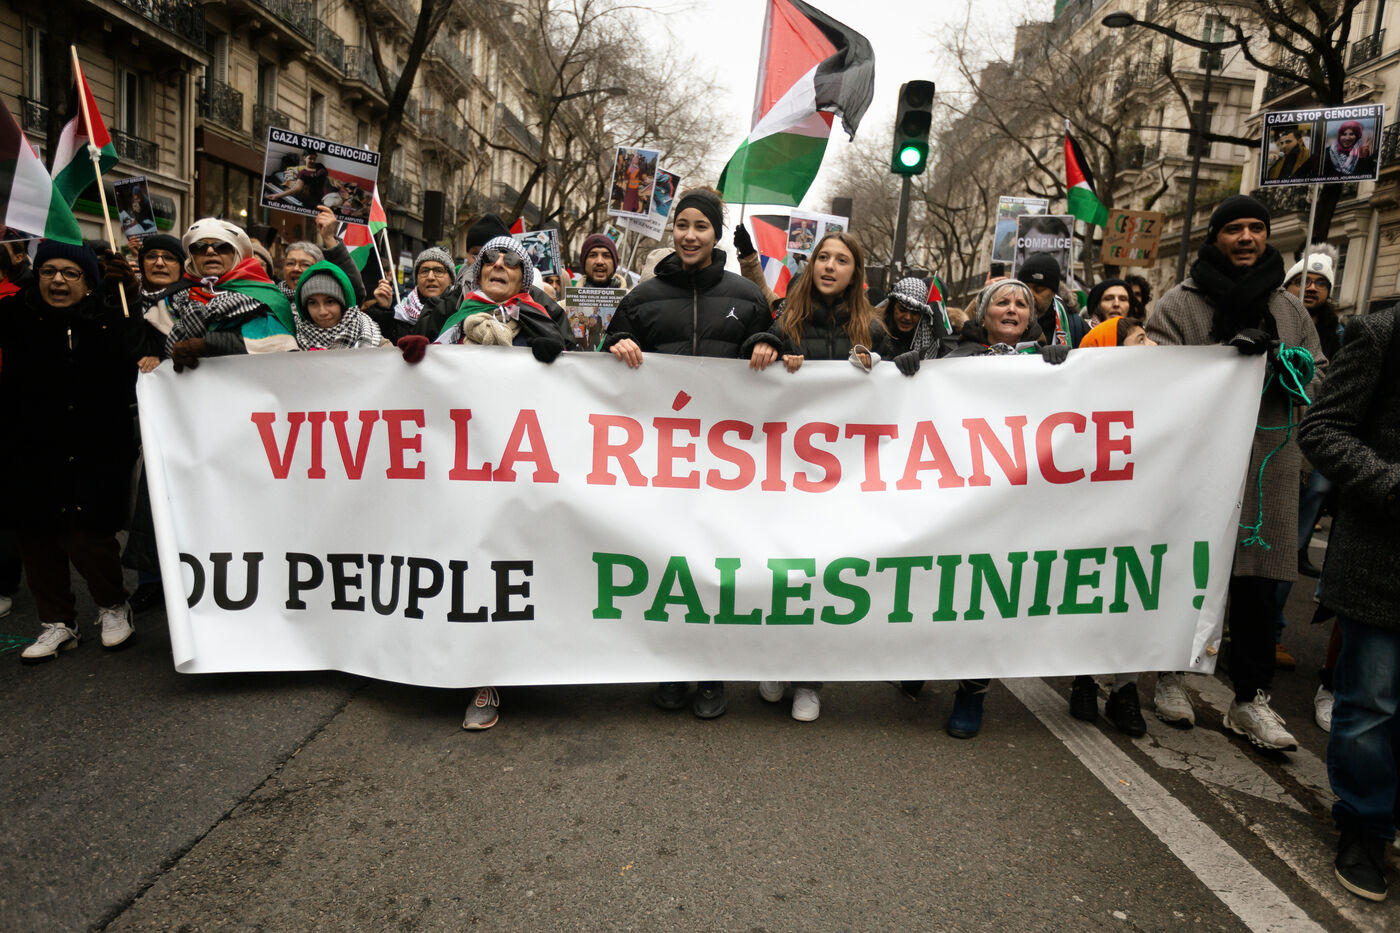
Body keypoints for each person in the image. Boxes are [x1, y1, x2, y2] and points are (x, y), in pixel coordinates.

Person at [1146, 194, 1326, 751]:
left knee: (1258, 589)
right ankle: (1170, 675)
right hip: (1196, 466)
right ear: (1215, 237)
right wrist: (1225, 359)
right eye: (1234, 229)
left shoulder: (1291, 311)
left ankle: (1250, 699)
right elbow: (1155, 377)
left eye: (1256, 228)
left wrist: (1286, 365)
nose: (1246, 237)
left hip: (1269, 466)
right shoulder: (1179, 304)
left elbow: (1321, 378)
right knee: (1189, 573)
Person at [604, 185, 771, 719]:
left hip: (727, 464)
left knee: (716, 568)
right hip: (662, 461)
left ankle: (711, 673)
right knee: (668, 565)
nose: (690, 235)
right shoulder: (642, 298)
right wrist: (614, 346)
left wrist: (767, 344)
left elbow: (777, 345)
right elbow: (600, 365)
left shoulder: (748, 297)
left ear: (716, 234)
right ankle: (671, 668)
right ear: (672, 230)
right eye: (682, 225)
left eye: (701, 226)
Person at [395, 236, 563, 731]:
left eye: (511, 261)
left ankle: (511, 667)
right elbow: (421, 381)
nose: (498, 265)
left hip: (521, 468)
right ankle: (475, 676)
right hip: (460, 467)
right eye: (490, 259)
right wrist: (418, 357)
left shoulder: (542, 317)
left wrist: (559, 356)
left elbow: (575, 387)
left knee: (510, 564)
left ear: (524, 275)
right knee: (466, 564)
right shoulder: (449, 317)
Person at [746, 232, 891, 722]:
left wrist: (888, 367)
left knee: (823, 576)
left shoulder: (873, 328)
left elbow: (903, 385)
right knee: (781, 571)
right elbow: (752, 356)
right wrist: (768, 346)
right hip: (787, 473)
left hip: (845, 477)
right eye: (823, 258)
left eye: (841, 260)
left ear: (855, 273)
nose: (830, 266)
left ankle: (808, 679)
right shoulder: (788, 318)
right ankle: (774, 660)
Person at [932, 279, 1070, 736]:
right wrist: (909, 372)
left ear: (1031, 317)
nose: (1012, 309)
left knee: (987, 594)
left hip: (1013, 500)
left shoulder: (1049, 362)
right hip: (958, 495)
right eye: (1002, 302)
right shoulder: (952, 358)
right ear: (984, 313)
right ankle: (918, 661)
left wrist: (1064, 371)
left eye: (1021, 304)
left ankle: (971, 692)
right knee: (940, 586)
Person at [1296, 303, 1399, 902]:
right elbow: (1322, 428)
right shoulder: (1382, 335)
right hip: (1384, 560)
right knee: (1372, 704)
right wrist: (1390, 485)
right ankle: (1365, 825)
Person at [1, 242, 140, 661]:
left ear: (88, 282)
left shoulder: (110, 319)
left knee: (88, 537)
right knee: (36, 536)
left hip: (96, 448)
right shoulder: (14, 316)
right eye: (48, 271)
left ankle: (113, 606)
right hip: (30, 448)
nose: (58, 280)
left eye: (70, 273)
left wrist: (130, 296)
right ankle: (57, 622)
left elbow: (137, 354)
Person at [1282, 243, 1346, 725]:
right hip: (1273, 443)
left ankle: (1271, 630)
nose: (1311, 290)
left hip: (1312, 449)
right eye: (1303, 281)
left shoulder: (1341, 336)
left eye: (1320, 284)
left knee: (1286, 547)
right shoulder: (1273, 318)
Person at [166, 218, 298, 370]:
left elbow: (278, 343)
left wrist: (206, 345)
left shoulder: (266, 295)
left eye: (222, 246)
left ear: (237, 255)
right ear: (192, 258)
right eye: (199, 247)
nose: (210, 251)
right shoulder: (173, 298)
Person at [369, 246, 460, 345]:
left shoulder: (460, 310)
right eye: (424, 271)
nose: (430, 277)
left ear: (451, 279)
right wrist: (382, 310)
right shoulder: (401, 313)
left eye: (438, 271)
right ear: (417, 279)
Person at [278, 206, 366, 305]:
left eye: (305, 264)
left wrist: (328, 238)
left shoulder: (331, 301)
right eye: (290, 263)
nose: (296, 269)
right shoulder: (271, 300)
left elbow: (353, 292)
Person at [292, 260, 384, 350]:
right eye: (313, 303)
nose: (322, 312)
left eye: (330, 302)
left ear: (344, 304)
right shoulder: (293, 343)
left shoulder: (376, 341)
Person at [1017, 253, 1089, 347]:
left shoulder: (1075, 326)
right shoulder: (1006, 321)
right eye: (1025, 289)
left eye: (1039, 290)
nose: (1030, 296)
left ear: (1054, 292)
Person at [880, 276, 950, 370]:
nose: (908, 317)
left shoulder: (931, 343)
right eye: (902, 310)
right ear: (892, 308)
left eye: (915, 313)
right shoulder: (876, 334)